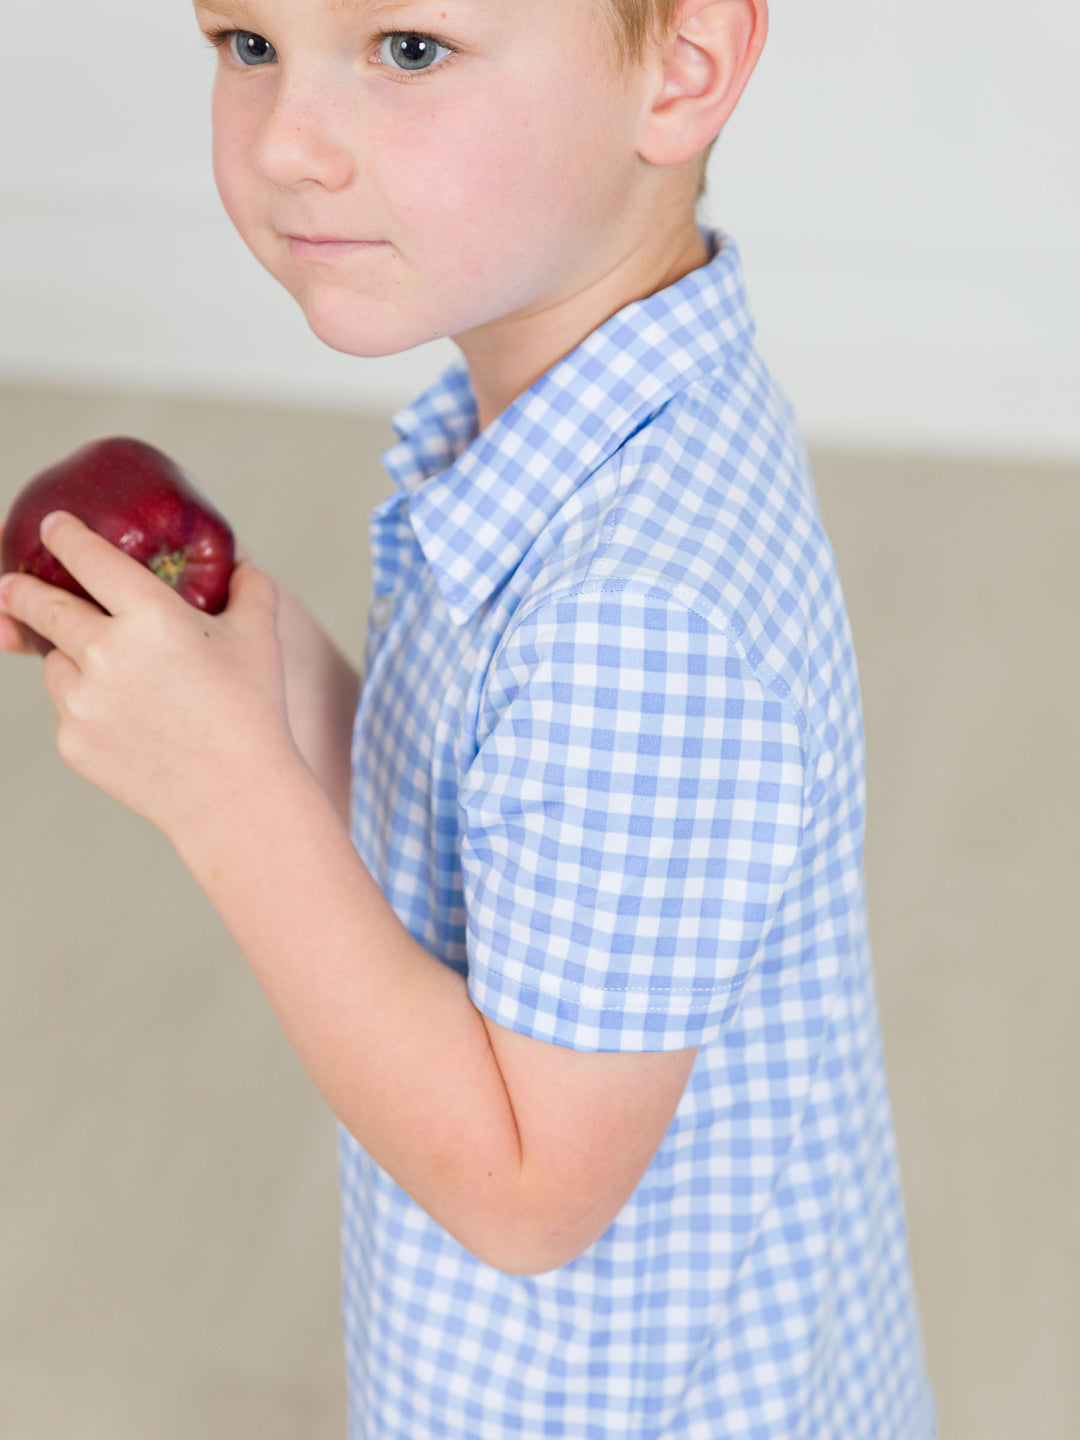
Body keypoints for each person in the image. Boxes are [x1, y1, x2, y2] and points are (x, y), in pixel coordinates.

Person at [0, 0, 937, 1434]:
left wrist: (224, 794)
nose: (293, 145)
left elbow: (522, 1187)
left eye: (410, 50)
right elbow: (475, 826)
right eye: (247, 44)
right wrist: (263, 679)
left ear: (682, 71)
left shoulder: (641, 615)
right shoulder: (585, 427)